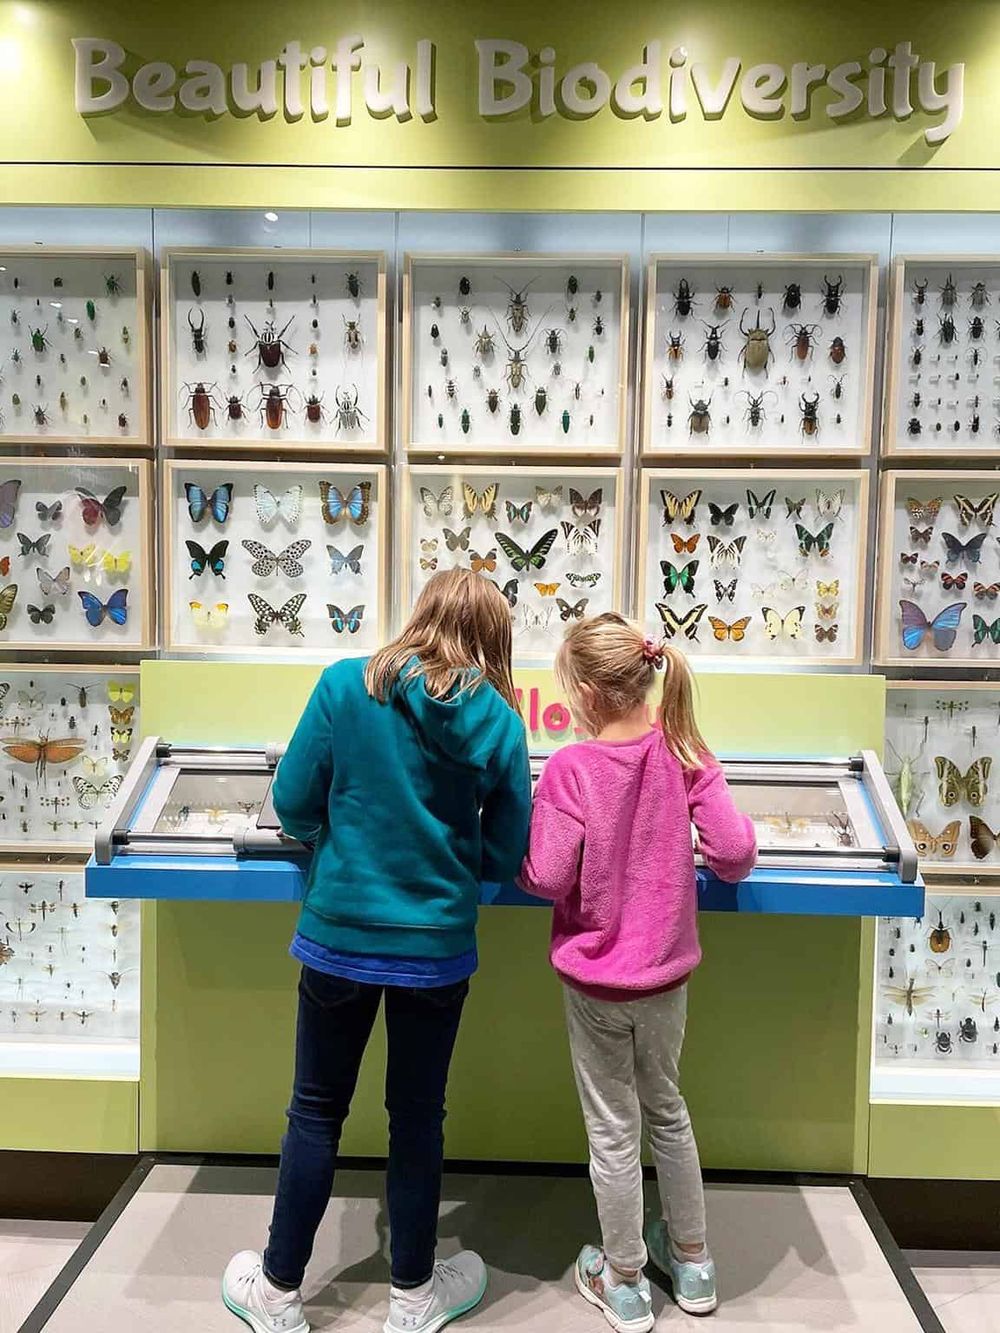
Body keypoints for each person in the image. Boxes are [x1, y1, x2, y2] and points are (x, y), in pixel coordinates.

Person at [223, 569, 532, 1333]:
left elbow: (292, 803)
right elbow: (505, 851)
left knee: (316, 1112)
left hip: (338, 939)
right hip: (436, 950)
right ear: (493, 639)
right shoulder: (499, 719)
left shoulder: (342, 685)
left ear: (419, 612)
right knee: (418, 1117)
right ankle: (412, 1297)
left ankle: (280, 1292)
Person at [519, 613, 756, 1329]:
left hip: (595, 983)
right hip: (665, 978)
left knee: (613, 1131)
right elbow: (736, 852)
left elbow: (547, 874)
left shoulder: (571, 769)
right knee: (668, 1110)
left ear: (587, 692)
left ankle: (623, 1278)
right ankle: (694, 1260)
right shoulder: (684, 750)